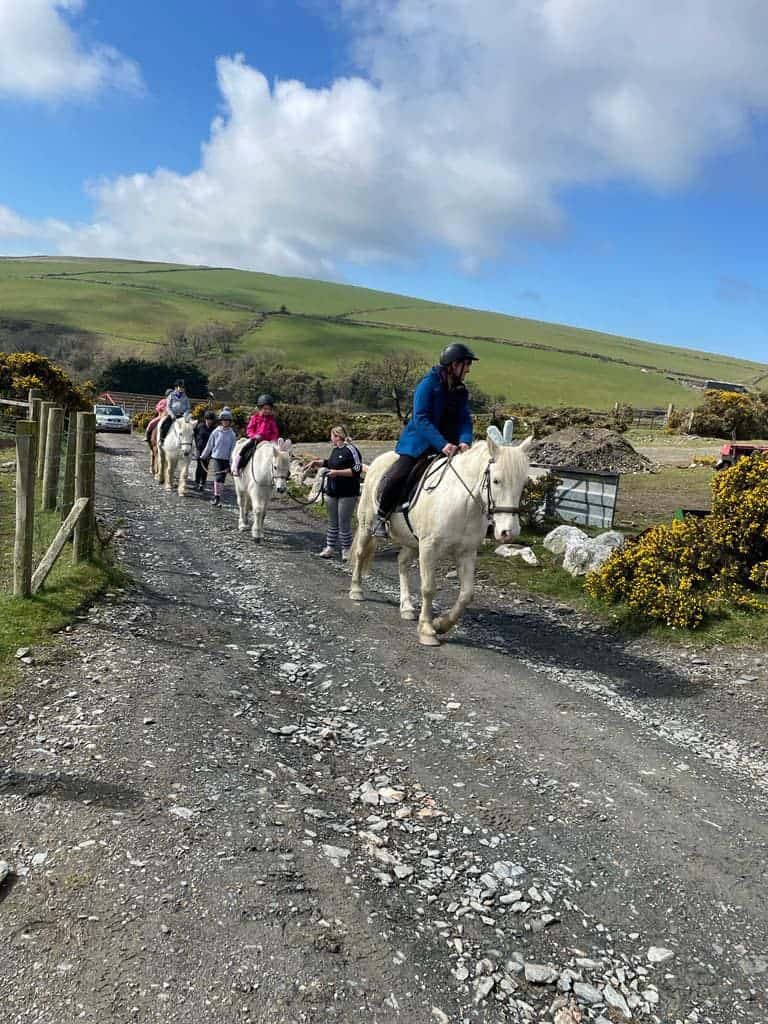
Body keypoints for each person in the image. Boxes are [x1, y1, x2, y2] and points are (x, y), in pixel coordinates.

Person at [371, 343, 477, 537]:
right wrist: (442, 444)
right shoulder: (428, 385)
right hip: (420, 443)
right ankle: (381, 516)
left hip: (451, 445)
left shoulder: (461, 391)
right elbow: (421, 418)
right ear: (453, 365)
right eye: (466, 364)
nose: (468, 369)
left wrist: (465, 441)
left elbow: (464, 419)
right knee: (399, 474)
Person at [304, 426, 363, 560]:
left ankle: (346, 550)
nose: (330, 438)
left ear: (337, 436)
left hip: (347, 493)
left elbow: (357, 469)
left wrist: (337, 473)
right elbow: (331, 463)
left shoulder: (351, 450)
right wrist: (317, 463)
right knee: (332, 521)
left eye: (332, 435)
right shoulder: (336, 450)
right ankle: (330, 547)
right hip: (332, 491)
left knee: (344, 522)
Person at [232, 394, 280, 476]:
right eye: (265, 409)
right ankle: (236, 465)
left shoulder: (272, 420)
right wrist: (254, 436)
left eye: (269, 409)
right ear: (260, 408)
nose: (267, 411)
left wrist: (273, 439)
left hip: (267, 442)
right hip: (256, 439)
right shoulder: (255, 418)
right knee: (245, 448)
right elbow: (249, 429)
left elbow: (274, 432)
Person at [199, 408, 237, 507]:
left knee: (222, 479)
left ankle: (218, 495)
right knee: (218, 477)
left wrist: (231, 462)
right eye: (224, 420)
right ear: (221, 421)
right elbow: (209, 445)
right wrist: (203, 455)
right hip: (216, 458)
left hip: (226, 459)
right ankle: (217, 497)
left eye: (227, 420)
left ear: (230, 422)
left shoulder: (232, 434)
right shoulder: (216, 432)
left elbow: (233, 449)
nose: (225, 422)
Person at [193, 409, 218, 492]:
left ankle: (202, 483)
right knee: (199, 466)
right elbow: (195, 435)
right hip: (199, 448)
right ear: (205, 419)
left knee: (205, 467)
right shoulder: (200, 426)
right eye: (208, 419)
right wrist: (196, 445)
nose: (209, 421)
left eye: (211, 419)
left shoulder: (214, 429)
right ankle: (197, 482)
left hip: (208, 450)